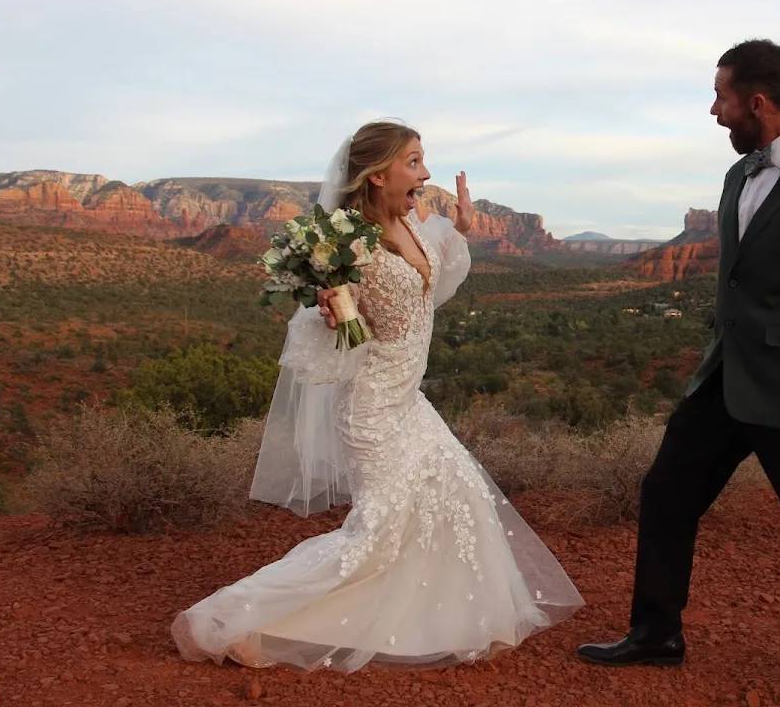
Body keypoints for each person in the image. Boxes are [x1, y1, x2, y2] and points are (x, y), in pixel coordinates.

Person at [172, 120, 583, 672]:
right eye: (414, 161)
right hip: (372, 414)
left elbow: (428, 289)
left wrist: (458, 227)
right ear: (376, 174)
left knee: (458, 492)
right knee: (377, 536)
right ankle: (244, 621)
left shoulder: (413, 225)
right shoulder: (349, 251)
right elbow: (327, 346)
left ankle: (455, 617)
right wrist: (330, 313)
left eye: (423, 160)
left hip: (410, 405)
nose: (426, 172)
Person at [576, 40, 780, 707]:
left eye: (721, 97)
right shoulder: (736, 177)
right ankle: (656, 632)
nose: (714, 111)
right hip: (724, 380)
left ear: (758, 102)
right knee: (666, 491)